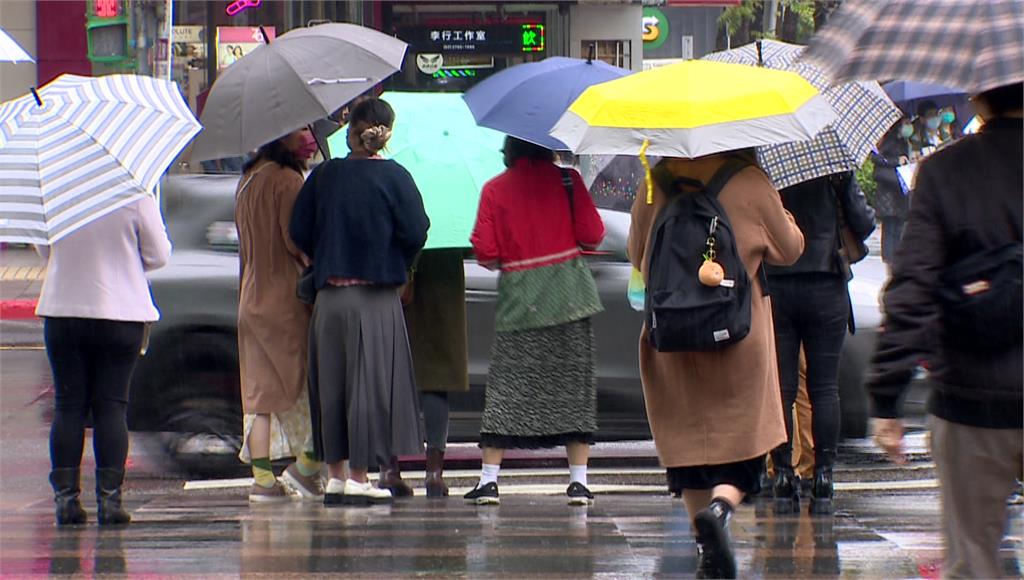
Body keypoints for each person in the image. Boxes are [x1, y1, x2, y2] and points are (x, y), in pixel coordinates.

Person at [869, 83, 1022, 579]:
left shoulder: (946, 172)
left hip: (971, 398)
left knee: (974, 561)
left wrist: (887, 396)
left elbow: (912, 288)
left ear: (977, 97)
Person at [627, 151, 804, 579]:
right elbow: (790, 250)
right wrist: (785, 216)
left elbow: (637, 256)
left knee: (689, 451)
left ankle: (705, 542)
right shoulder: (749, 180)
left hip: (673, 339)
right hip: (736, 338)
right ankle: (721, 511)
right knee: (744, 443)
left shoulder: (655, 183)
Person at [289, 97, 429, 506]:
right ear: (386, 134)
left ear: (350, 131)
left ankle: (334, 475)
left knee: (332, 388)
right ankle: (359, 476)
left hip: (330, 300)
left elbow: (299, 231)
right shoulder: (395, 177)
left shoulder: (325, 176)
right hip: (376, 299)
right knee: (369, 388)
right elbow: (417, 231)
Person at [465, 136, 605, 507]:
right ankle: (578, 482)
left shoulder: (494, 189)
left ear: (509, 150)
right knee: (573, 386)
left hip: (520, 302)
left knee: (507, 386)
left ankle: (489, 481)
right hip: (570, 296)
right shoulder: (567, 181)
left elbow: (486, 251)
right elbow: (593, 235)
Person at [38, 197, 172, 525]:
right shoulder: (133, 193)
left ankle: (66, 501)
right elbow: (159, 254)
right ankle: (110, 501)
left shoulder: (54, 192)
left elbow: (45, 250)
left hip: (63, 307)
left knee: (68, 406)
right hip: (120, 311)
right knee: (112, 406)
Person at [766, 171, 876, 515]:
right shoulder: (833, 167)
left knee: (782, 389)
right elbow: (863, 221)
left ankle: (783, 474)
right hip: (826, 282)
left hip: (779, 285)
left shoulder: (767, 164)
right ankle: (824, 476)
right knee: (825, 388)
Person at [235, 127, 323, 503]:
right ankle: (307, 467)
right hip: (285, 299)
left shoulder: (247, 179)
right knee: (314, 385)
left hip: (251, 296)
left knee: (259, 395)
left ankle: (263, 481)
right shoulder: (288, 181)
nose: (309, 137)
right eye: (301, 129)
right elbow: (296, 241)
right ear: (282, 135)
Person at [378, 248, 469, 498]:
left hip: (397, 275)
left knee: (392, 376)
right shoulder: (452, 210)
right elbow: (471, 244)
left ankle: (389, 468)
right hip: (444, 281)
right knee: (437, 378)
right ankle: (434, 474)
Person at [872, 118, 915, 266]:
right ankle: (889, 259)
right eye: (906, 123)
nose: (909, 127)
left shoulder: (904, 142)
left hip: (900, 190)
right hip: (888, 191)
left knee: (898, 225)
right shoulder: (889, 140)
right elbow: (876, 157)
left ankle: (895, 257)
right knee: (890, 225)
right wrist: (896, 161)